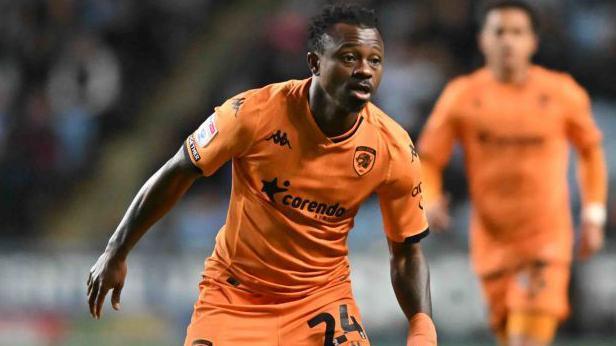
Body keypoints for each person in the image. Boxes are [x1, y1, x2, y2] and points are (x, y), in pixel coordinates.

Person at [87, 4, 437, 346]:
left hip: (321, 300)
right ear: (315, 63)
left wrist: (422, 327)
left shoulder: (392, 148)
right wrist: (116, 252)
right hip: (235, 298)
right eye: (349, 58)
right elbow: (178, 171)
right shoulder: (252, 114)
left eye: (374, 60)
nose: (364, 70)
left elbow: (406, 252)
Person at [418, 1, 607, 345]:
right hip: (491, 242)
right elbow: (428, 158)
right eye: (499, 32)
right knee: (509, 337)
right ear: (482, 39)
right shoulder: (462, 96)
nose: (508, 41)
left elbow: (590, 151)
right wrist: (429, 200)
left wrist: (594, 213)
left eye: (517, 33)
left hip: (545, 240)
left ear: (533, 41)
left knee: (524, 340)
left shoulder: (561, 92)